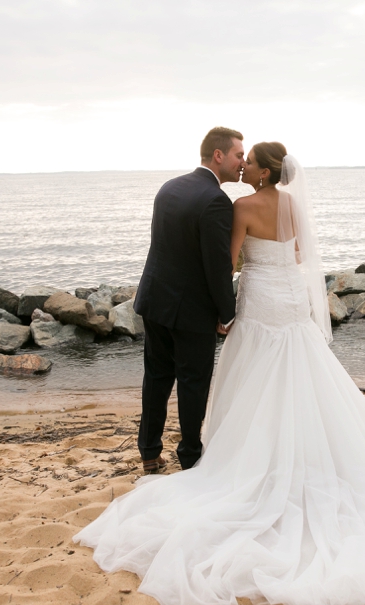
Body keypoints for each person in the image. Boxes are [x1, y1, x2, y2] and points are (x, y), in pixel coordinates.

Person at [75, 141, 365, 605]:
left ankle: (234, 456)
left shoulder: (243, 205)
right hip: (291, 299)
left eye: (249, 159)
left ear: (261, 171)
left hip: (259, 302)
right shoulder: (296, 205)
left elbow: (230, 262)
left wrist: (221, 304)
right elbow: (298, 252)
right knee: (302, 370)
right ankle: (306, 453)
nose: (244, 164)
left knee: (250, 374)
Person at [132, 127, 243, 473]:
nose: (243, 162)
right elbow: (217, 266)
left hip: (154, 299)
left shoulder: (170, 187)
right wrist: (227, 312)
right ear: (218, 155)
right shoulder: (216, 200)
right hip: (191, 310)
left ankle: (149, 451)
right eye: (239, 155)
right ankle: (191, 455)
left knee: (157, 377)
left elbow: (164, 247)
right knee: (193, 383)